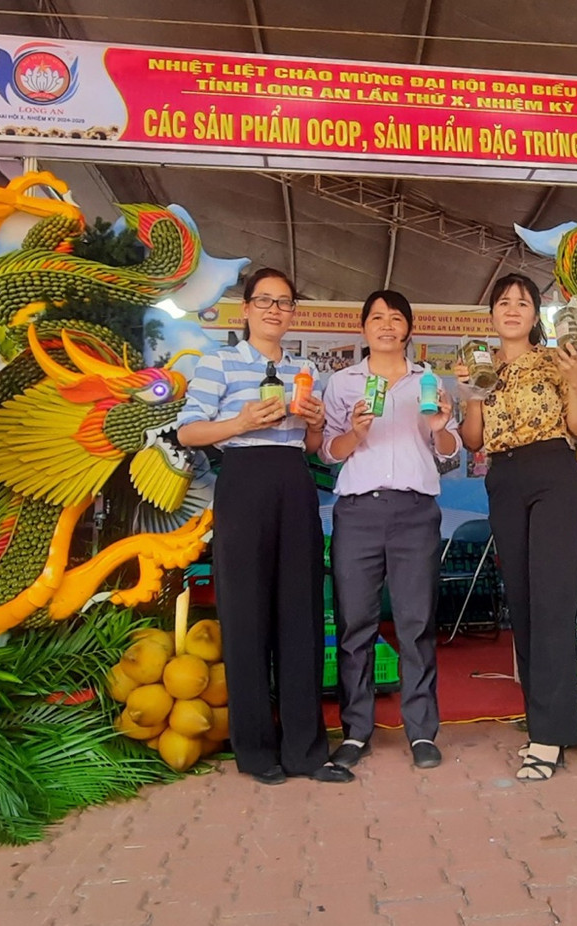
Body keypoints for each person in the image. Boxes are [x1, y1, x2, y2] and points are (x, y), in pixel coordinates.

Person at [176, 268, 353, 786]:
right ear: (246, 309)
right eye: (265, 301)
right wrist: (240, 423)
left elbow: (316, 447)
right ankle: (255, 750)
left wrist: (317, 421)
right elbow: (188, 430)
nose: (276, 310)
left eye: (285, 302)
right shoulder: (220, 362)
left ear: (293, 312)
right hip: (244, 479)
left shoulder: (305, 371)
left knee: (301, 612)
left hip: (294, 479)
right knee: (246, 612)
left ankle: (306, 750)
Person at [456, 273, 577, 781]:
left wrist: (576, 379)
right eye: (503, 301)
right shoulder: (479, 367)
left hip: (552, 472)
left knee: (553, 598)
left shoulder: (556, 359)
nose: (512, 309)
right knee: (523, 600)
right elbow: (472, 441)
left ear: (536, 315)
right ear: (491, 313)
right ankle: (543, 721)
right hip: (504, 477)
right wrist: (471, 395)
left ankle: (550, 736)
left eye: (523, 302)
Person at [321, 291, 461, 771]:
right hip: (358, 511)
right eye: (376, 317)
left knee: (416, 623)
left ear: (408, 328)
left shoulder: (428, 382)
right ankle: (356, 732)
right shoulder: (342, 383)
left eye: (395, 317)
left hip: (415, 511)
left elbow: (449, 453)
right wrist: (356, 434)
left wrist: (441, 426)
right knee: (354, 624)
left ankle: (421, 731)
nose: (385, 325)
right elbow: (327, 452)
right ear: (363, 328)